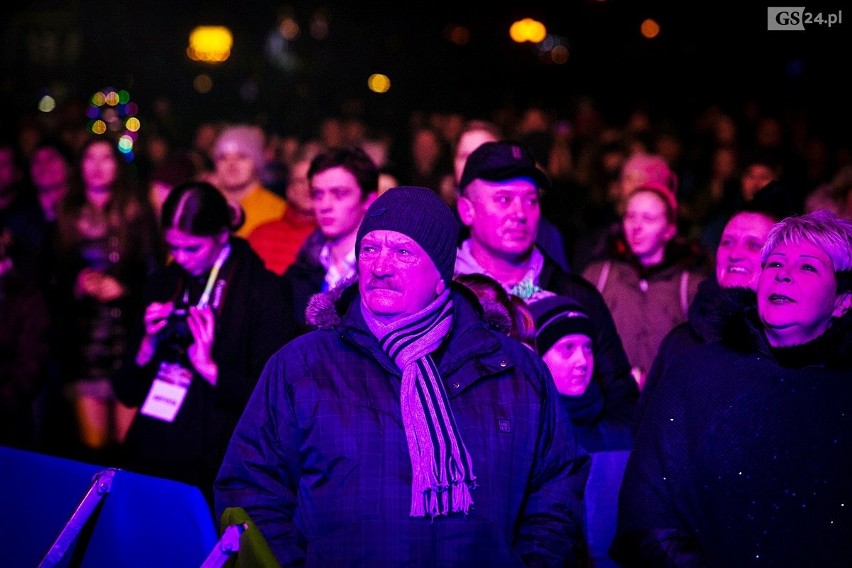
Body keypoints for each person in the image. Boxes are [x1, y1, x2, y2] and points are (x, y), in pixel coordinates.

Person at [215, 185, 590, 566]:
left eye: (403, 251)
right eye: (370, 248)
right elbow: (250, 488)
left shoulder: (512, 370)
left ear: (442, 273)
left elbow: (556, 489)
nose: (380, 266)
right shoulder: (303, 366)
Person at [611, 209, 852, 566]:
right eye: (774, 265)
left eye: (807, 267)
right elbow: (649, 511)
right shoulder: (697, 374)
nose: (784, 276)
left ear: (843, 301)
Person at [114, 180, 293, 508]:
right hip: (152, 450)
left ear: (223, 235)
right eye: (173, 247)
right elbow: (126, 391)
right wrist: (146, 348)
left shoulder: (263, 292)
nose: (181, 258)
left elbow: (273, 401)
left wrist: (210, 369)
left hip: (215, 463)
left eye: (192, 248)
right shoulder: (164, 283)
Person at [454, 140, 638, 415]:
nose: (519, 213)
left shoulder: (574, 298)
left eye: (531, 200)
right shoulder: (443, 296)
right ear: (467, 211)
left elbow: (621, 405)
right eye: (504, 199)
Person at [54, 136, 162, 460]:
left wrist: (125, 290)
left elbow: (156, 276)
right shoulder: (65, 217)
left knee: (128, 455)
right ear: (80, 165)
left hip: (128, 343)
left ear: (118, 165)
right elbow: (50, 281)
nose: (98, 167)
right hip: (85, 348)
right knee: (92, 455)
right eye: (90, 158)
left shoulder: (137, 215)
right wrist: (78, 282)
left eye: (106, 158)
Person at [636, 207, 780, 425]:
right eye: (727, 242)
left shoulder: (787, 342)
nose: (735, 254)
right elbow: (647, 428)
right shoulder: (681, 341)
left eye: (753, 244)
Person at [581, 183, 707, 388]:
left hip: (663, 404)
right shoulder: (599, 275)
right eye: (630, 216)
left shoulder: (689, 287)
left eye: (648, 218)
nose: (636, 226)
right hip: (611, 405)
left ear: (669, 230)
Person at [281, 146, 378, 336]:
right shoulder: (299, 273)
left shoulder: (382, 272)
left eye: (339, 193)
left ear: (369, 200)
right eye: (317, 194)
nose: (325, 205)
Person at [210, 124, 286, 239]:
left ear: (256, 162)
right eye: (223, 158)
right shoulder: (204, 205)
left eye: (241, 157)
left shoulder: (278, 211)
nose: (231, 164)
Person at [247, 152, 318, 275]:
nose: (308, 187)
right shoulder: (261, 235)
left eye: (313, 181)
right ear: (289, 190)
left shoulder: (339, 237)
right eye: (300, 181)